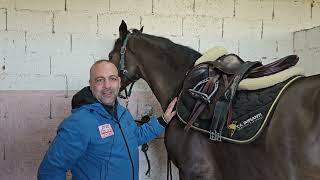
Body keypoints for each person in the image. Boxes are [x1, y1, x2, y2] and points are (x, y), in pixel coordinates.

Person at [37, 60, 177, 180]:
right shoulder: (78, 123)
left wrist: (163, 120)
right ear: (91, 84)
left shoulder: (122, 113)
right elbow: (49, 171)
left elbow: (133, 137)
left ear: (119, 82)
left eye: (112, 78)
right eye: (99, 80)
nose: (107, 85)